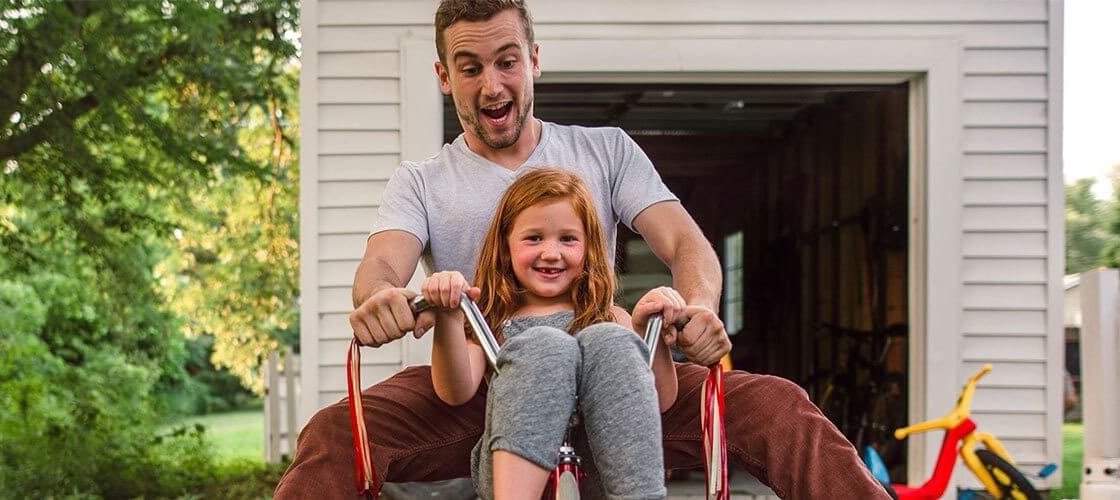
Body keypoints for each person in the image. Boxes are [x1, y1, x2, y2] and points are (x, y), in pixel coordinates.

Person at [275, 0, 890, 498]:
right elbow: (383, 265)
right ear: (444, 76)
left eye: (506, 62)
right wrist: (383, 299)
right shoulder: (423, 181)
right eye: (469, 67)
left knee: (777, 408)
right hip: (485, 378)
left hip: (612, 371)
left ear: (534, 62)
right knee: (336, 434)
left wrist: (697, 305)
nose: (492, 84)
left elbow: (686, 242)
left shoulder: (606, 151)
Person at [424, 169, 678, 499]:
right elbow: (454, 392)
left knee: (610, 340)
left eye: (568, 239)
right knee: (544, 344)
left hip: (600, 475)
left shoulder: (610, 317)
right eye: (534, 238)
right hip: (516, 478)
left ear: (589, 248)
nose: (551, 252)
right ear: (506, 246)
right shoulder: (492, 321)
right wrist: (449, 318)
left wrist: (646, 333)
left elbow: (657, 399)